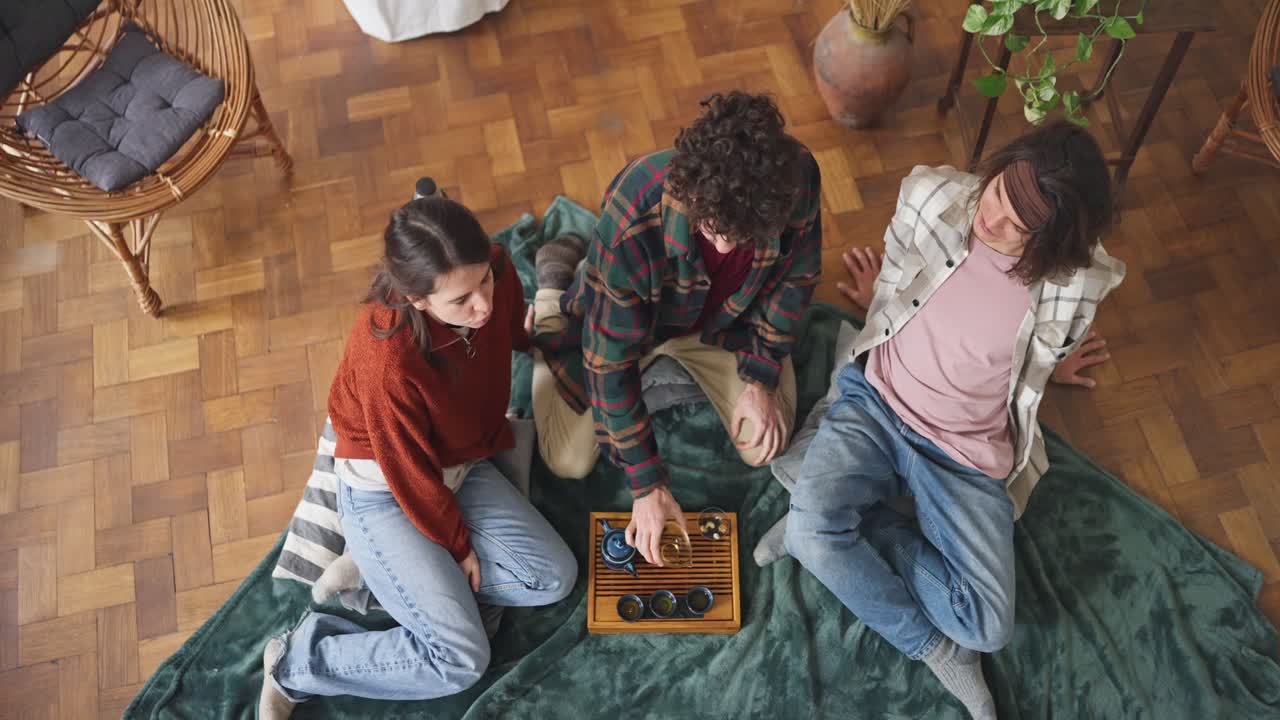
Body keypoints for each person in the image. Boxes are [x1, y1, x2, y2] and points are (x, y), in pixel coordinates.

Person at [779, 121, 1124, 719]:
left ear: (1054, 241)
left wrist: (1047, 371)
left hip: (964, 456)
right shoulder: (931, 197)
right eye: (997, 195)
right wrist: (876, 299)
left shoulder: (1077, 281)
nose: (992, 221)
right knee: (810, 532)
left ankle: (859, 525)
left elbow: (1036, 353)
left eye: (1021, 225)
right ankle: (935, 646)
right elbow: (899, 278)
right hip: (877, 403)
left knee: (988, 626)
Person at [258, 196, 577, 718]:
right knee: (460, 658)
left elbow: (504, 325)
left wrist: (532, 339)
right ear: (417, 299)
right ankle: (299, 661)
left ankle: (382, 577)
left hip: (460, 462)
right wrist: (456, 547)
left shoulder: (492, 267)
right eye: (462, 301)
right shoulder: (388, 357)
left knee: (552, 578)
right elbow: (406, 472)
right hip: (387, 487)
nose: (484, 306)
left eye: (485, 284)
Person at [529, 90, 822, 565]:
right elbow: (609, 364)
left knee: (764, 445)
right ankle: (550, 291)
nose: (726, 248)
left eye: (744, 235)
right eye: (713, 229)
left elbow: (797, 279)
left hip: (728, 323)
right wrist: (648, 484)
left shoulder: (797, 178)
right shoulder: (631, 214)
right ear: (691, 187)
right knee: (567, 459)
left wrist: (760, 376)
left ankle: (676, 376)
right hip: (637, 327)